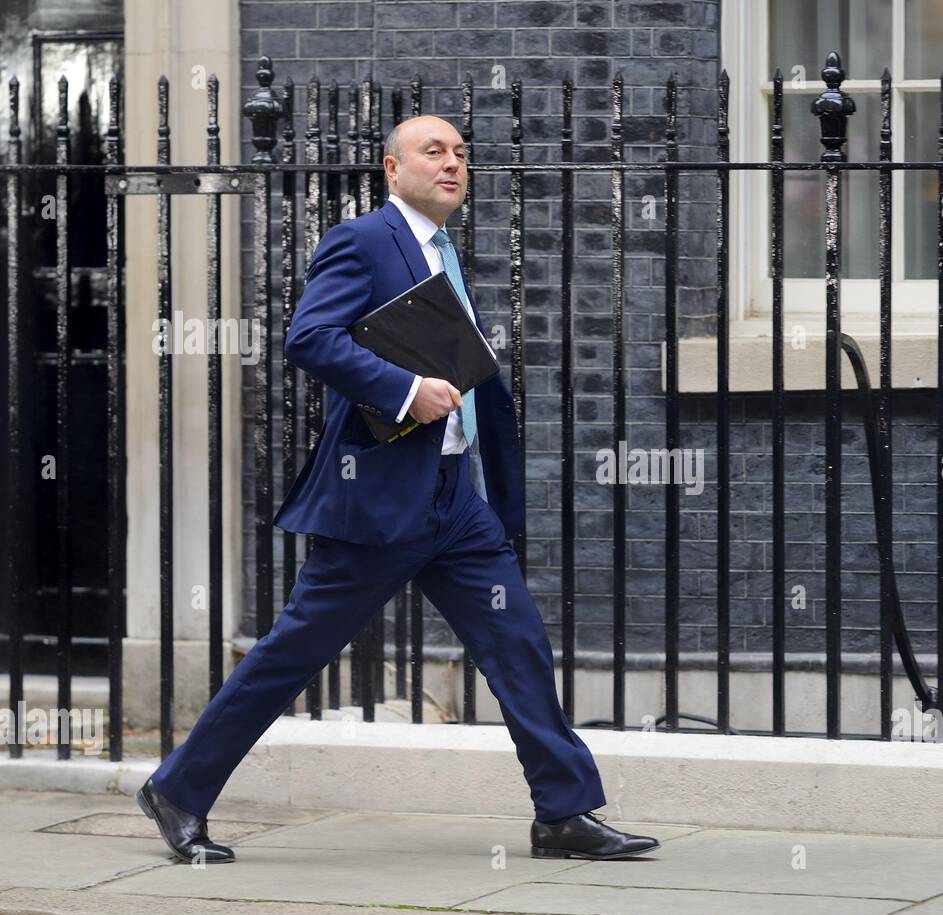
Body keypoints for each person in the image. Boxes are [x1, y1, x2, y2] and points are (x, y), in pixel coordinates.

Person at [136, 114, 658, 864]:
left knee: (518, 645)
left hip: (455, 500)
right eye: (432, 152)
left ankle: (564, 813)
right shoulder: (362, 241)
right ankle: (177, 790)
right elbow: (311, 337)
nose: (451, 164)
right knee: (291, 654)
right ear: (392, 168)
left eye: (459, 154)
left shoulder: (445, 254)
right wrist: (406, 389)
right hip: (377, 502)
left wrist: (495, 491)